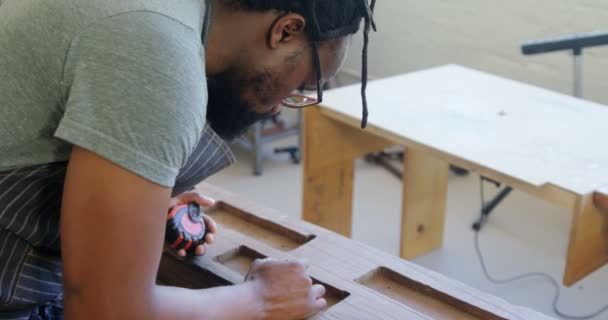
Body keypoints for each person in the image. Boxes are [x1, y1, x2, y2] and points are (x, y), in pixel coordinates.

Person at [0, 0, 376, 319]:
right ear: (286, 31)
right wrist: (259, 299)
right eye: (300, 87)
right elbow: (107, 310)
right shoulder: (159, 56)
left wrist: (136, 206)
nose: (281, 106)